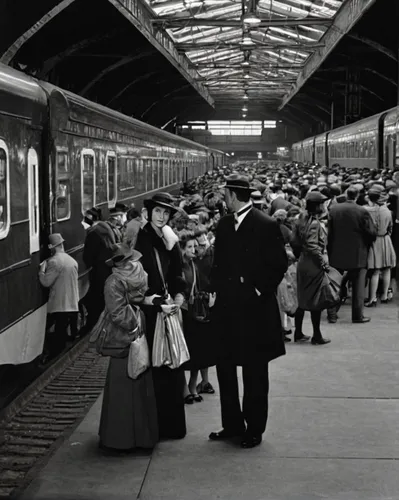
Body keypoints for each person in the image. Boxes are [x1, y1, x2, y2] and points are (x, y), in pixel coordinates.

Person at [209, 174, 288, 449]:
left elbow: (279, 263)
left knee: (255, 373)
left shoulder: (265, 225)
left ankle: (254, 429)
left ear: (232, 195)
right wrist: (213, 291)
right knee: (226, 370)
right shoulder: (223, 224)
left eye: (225, 194)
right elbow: (218, 263)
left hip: (255, 312)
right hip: (227, 310)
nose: (223, 199)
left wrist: (258, 290)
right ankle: (232, 424)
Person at [135, 192, 187, 440]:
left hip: (169, 309)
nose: (162, 216)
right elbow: (135, 279)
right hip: (152, 311)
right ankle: (156, 426)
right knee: (156, 367)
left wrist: (178, 296)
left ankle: (171, 426)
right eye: (158, 211)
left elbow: (177, 272)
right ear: (149, 212)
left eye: (166, 213)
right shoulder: (142, 240)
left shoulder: (170, 239)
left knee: (171, 365)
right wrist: (149, 299)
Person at [99, 241, 158, 451]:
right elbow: (122, 310)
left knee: (123, 386)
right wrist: (137, 327)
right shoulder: (138, 274)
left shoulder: (114, 280)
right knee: (138, 378)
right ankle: (141, 436)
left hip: (125, 336)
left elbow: (118, 311)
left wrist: (133, 327)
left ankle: (119, 437)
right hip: (133, 332)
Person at [328, 186, 377, 323]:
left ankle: (332, 312)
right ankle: (357, 315)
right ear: (357, 196)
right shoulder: (362, 211)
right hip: (357, 252)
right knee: (358, 287)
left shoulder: (334, 209)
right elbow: (371, 232)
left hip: (337, 251)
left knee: (334, 284)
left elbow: (330, 232)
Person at [179, 230, 216, 404]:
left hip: (193, 311)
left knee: (197, 351)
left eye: (195, 246)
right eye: (190, 247)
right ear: (181, 248)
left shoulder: (194, 265)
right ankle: (186, 389)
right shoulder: (179, 267)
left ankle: (192, 386)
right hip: (182, 312)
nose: (194, 249)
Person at [291, 192, 331, 345]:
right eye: (322, 203)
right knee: (316, 300)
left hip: (302, 261)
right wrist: (323, 263)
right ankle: (317, 335)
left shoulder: (301, 218)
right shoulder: (313, 223)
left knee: (302, 298)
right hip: (313, 263)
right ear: (317, 205)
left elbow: (294, 240)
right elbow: (313, 246)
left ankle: (298, 332)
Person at [39, 233, 79, 357]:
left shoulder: (54, 262)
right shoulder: (72, 260)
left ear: (51, 246)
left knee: (59, 334)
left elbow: (46, 282)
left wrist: (41, 271)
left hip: (60, 304)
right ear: (61, 244)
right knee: (65, 332)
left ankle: (55, 355)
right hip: (72, 302)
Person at [364, 186, 396, 306]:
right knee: (387, 269)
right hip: (386, 240)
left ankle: (372, 298)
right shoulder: (388, 211)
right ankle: (384, 296)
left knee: (375, 271)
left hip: (375, 241)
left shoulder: (368, 211)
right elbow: (390, 228)